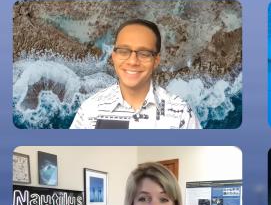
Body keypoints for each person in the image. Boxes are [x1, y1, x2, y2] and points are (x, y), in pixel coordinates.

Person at [70, 19, 201, 129]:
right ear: (114, 56)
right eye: (124, 51)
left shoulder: (181, 112)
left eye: (144, 53)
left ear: (156, 60)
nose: (133, 61)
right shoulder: (90, 109)